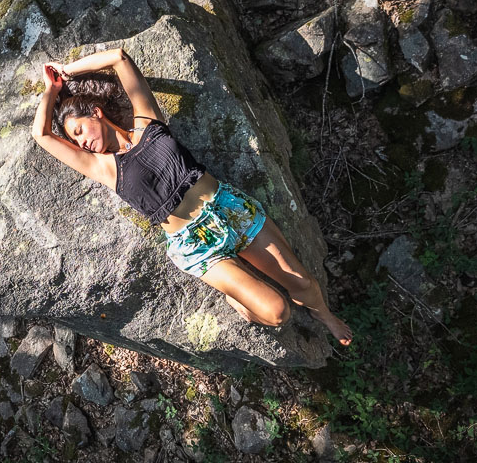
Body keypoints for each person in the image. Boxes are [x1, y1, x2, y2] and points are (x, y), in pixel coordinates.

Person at [30, 47, 352, 346]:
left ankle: (323, 313)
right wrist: (51, 91)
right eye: (75, 140)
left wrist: (66, 72)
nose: (81, 143)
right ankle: (237, 296)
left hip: (229, 210)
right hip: (194, 245)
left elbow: (119, 58)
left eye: (79, 131)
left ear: (96, 113)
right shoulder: (103, 168)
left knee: (303, 283)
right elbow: (41, 134)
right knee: (277, 311)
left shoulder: (148, 120)